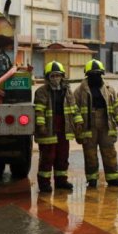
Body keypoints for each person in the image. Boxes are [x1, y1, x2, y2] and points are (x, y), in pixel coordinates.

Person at [74, 59, 118, 188]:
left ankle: (113, 178)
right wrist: (78, 122)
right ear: (87, 75)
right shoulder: (80, 91)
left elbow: (116, 105)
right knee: (90, 153)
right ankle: (92, 179)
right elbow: (74, 108)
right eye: (92, 74)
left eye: (98, 74)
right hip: (88, 125)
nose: (95, 77)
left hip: (106, 123)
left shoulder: (109, 89)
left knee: (109, 151)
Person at [33, 61, 83, 193]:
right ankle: (44, 184)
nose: (56, 78)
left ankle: (61, 181)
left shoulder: (67, 91)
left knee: (62, 156)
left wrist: (78, 122)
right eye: (53, 76)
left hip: (63, 129)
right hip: (48, 129)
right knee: (48, 157)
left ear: (62, 76)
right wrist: (41, 125)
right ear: (48, 77)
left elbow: (74, 108)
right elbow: (39, 110)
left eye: (58, 75)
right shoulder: (41, 91)